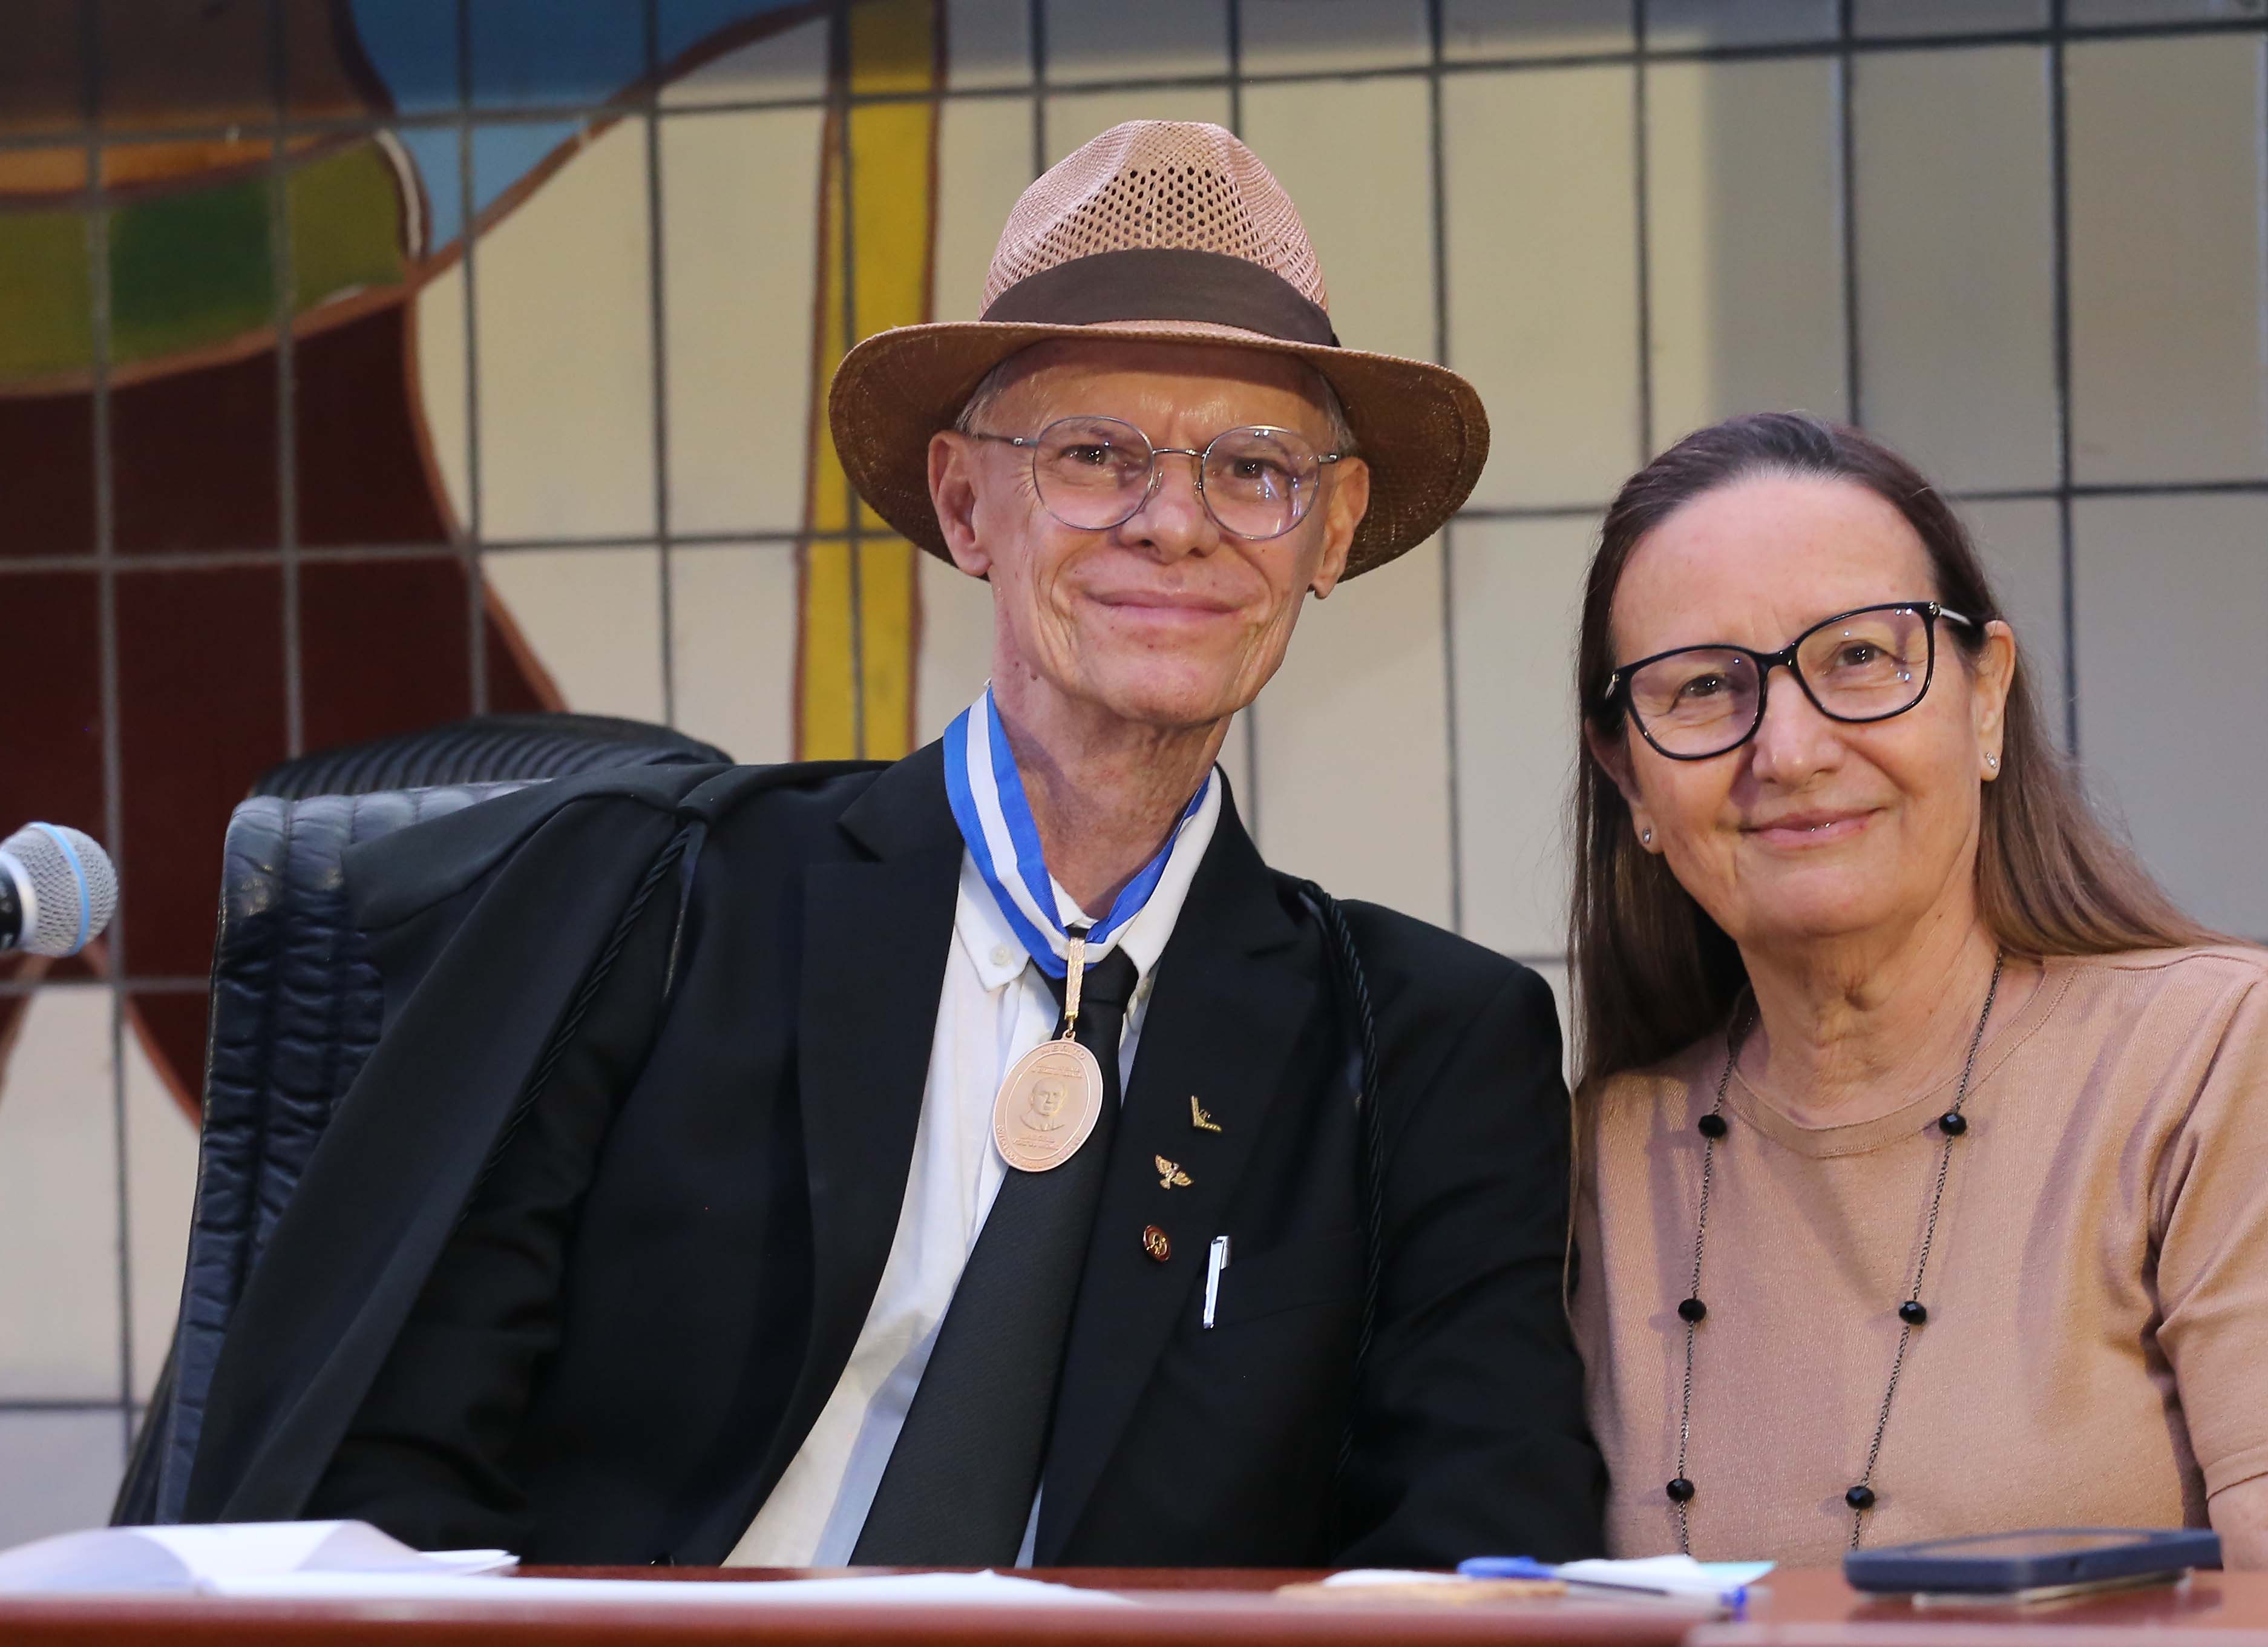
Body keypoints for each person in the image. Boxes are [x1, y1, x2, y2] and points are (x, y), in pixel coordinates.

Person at [180, 120, 1603, 1568]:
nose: (1176, 524)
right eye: (1094, 454)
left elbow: (1477, 1557)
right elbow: (373, 1483)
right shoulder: (654, 903)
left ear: (1333, 529)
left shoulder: (1423, 1051)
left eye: (1253, 471)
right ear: (964, 500)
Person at [1565, 413, 2268, 1571]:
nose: (1787, 748)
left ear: (1985, 700)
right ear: (1627, 773)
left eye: (1860, 659)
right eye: (1701, 688)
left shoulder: (2221, 1061)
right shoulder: (1599, 1149)